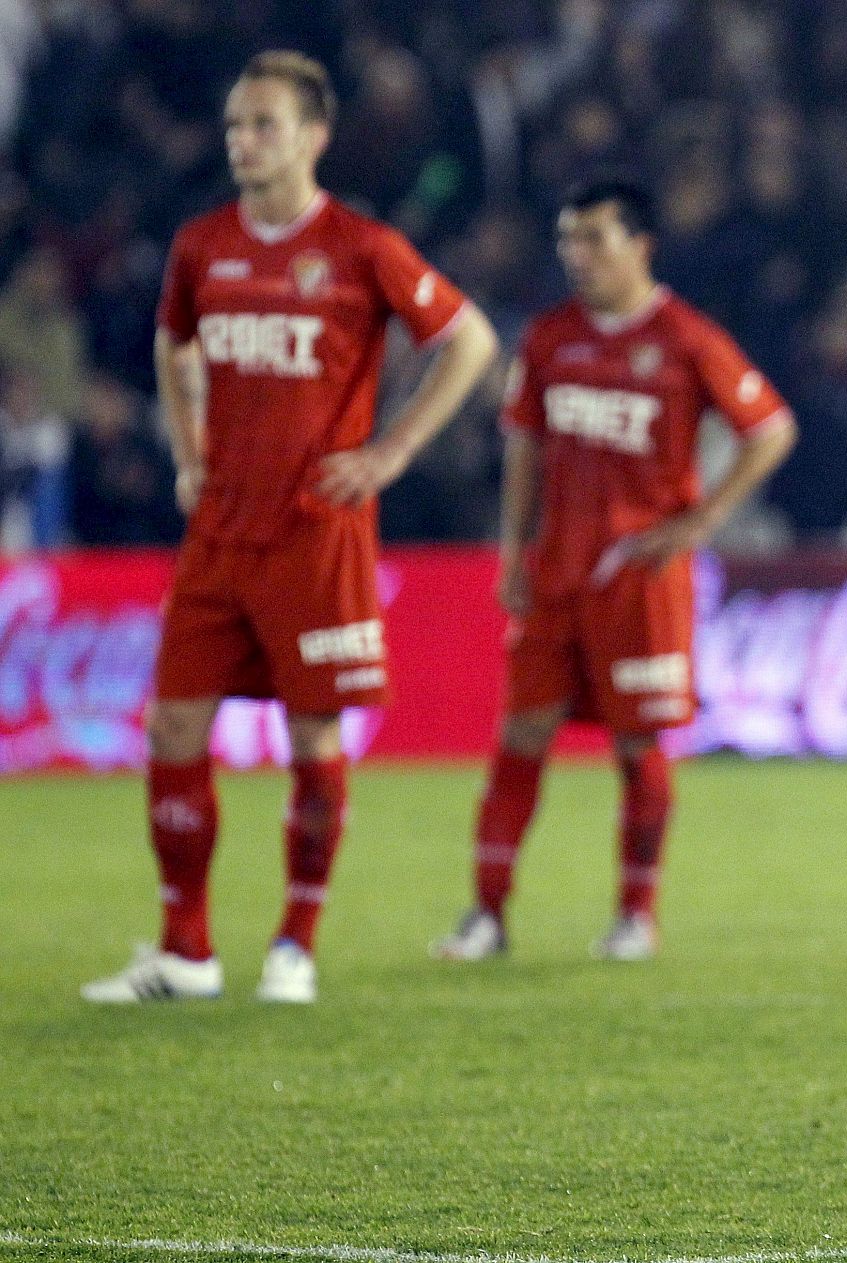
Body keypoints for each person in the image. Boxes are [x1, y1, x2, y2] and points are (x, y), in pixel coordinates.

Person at [81, 51, 498, 1005]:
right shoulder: (202, 246)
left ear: (315, 137)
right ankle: (184, 947)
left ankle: (294, 943)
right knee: (175, 723)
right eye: (234, 124)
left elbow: (468, 340)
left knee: (313, 740)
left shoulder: (359, 246)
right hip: (222, 530)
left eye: (263, 124)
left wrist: (391, 453)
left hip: (316, 533)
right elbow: (172, 343)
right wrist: (189, 452)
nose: (242, 140)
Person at [431, 176, 796, 964]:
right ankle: (487, 915)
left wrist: (702, 519)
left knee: (638, 745)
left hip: (640, 576)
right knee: (521, 734)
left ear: (641, 245)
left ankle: (637, 914)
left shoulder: (687, 337)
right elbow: (525, 447)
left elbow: (768, 428)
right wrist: (512, 550)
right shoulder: (549, 337)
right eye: (568, 239)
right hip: (556, 571)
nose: (578, 254)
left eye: (595, 237)